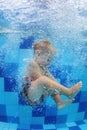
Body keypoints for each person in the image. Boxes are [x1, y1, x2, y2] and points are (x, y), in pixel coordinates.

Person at [20, 39, 82, 109]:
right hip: (29, 94)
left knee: (51, 83)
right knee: (44, 80)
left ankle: (59, 102)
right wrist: (63, 90)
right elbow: (42, 80)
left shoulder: (44, 68)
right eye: (48, 59)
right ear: (38, 53)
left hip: (39, 96)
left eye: (51, 60)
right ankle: (68, 92)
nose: (49, 63)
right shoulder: (33, 64)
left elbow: (53, 81)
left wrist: (59, 89)